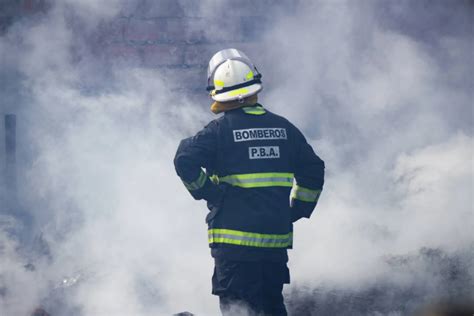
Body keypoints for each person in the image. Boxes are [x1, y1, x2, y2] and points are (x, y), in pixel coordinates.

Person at [174, 48, 325, 316]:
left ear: (219, 94)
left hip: (235, 252)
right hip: (273, 247)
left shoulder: (219, 132)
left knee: (240, 311)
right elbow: (313, 169)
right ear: (255, 88)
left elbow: (183, 158)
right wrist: (296, 210)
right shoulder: (284, 129)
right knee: (271, 308)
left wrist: (208, 191)